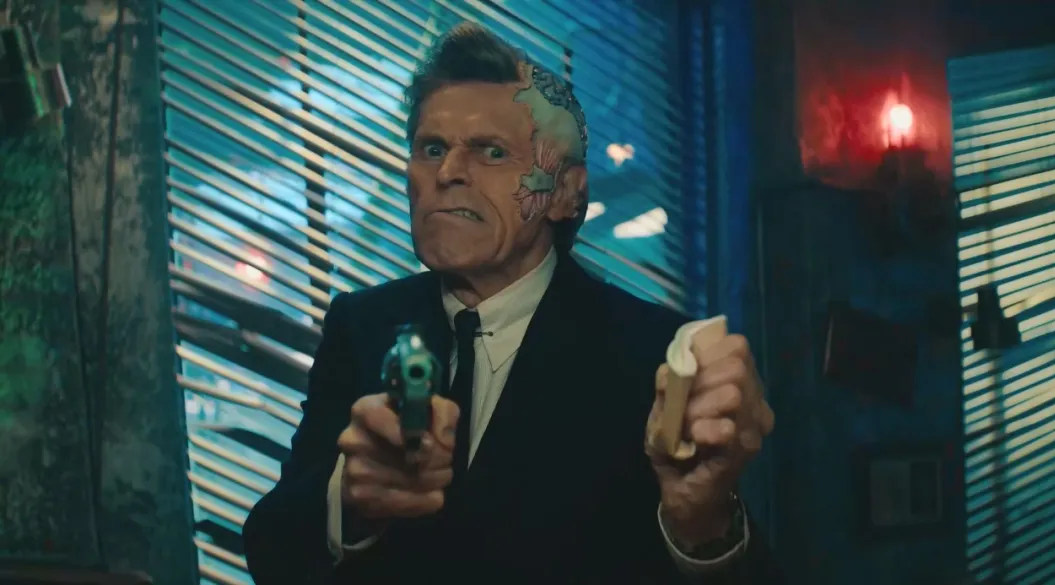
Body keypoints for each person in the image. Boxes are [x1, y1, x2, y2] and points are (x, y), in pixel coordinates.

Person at [242, 23, 778, 584]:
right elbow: (271, 550)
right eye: (431, 149)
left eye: (491, 152)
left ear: (564, 193)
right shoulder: (361, 325)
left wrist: (701, 524)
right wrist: (347, 500)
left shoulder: (654, 356)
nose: (448, 173)